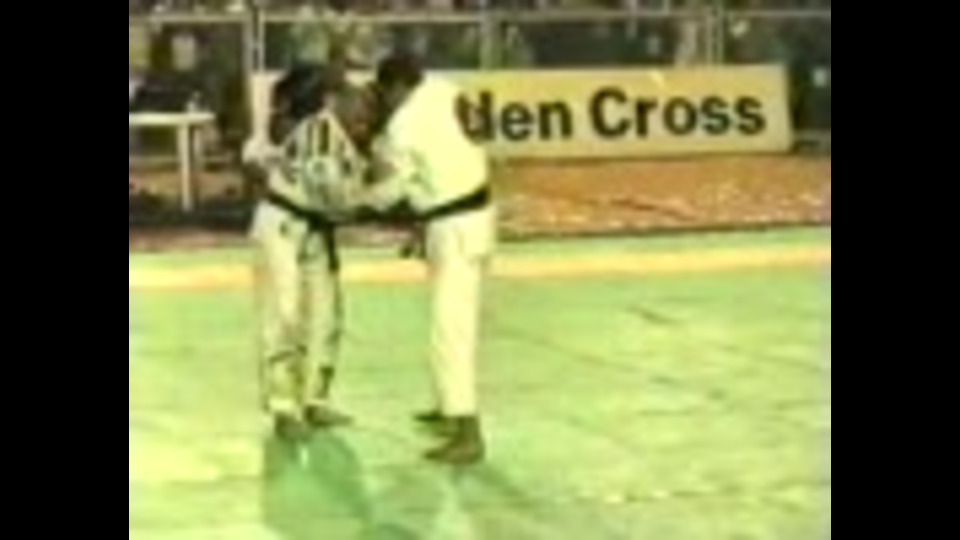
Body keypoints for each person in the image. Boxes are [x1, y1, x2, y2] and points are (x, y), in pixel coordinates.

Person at [364, 53, 496, 465]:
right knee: (449, 321)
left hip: (454, 225)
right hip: (472, 213)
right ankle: (447, 407)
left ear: (395, 87)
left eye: (384, 93)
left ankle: (468, 431)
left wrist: (357, 198)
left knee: (450, 328)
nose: (384, 102)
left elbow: (392, 189)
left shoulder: (404, 123)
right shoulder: (446, 89)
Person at [242, 63, 372, 440]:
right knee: (284, 314)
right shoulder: (295, 129)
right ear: (327, 98)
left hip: (316, 228)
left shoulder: (335, 134)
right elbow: (255, 160)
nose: (356, 102)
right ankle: (283, 406)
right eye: (345, 93)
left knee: (327, 316)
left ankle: (316, 398)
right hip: (283, 224)